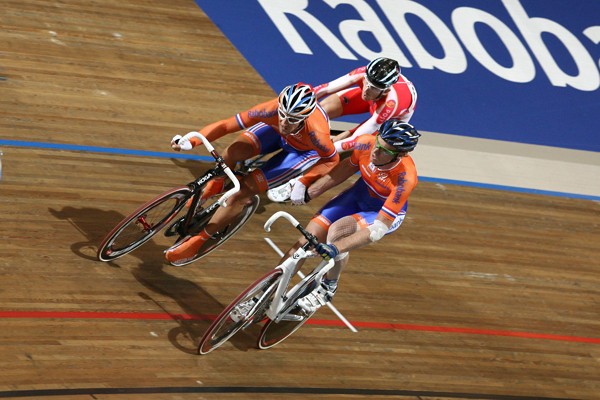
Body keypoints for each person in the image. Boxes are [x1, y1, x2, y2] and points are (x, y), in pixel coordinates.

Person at [165, 83, 339, 265]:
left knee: (242, 192)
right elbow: (226, 125)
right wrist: (192, 141)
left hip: (301, 153)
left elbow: (331, 160)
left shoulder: (317, 134)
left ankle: (198, 241)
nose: (284, 122)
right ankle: (214, 185)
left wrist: (304, 181)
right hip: (274, 133)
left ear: (304, 118)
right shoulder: (270, 110)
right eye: (283, 114)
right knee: (232, 153)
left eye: (292, 119)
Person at [284, 119, 421, 313]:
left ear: (401, 155)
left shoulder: (405, 178)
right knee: (305, 240)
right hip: (357, 196)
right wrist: (309, 191)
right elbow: (343, 167)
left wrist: (335, 248)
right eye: (378, 142)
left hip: (380, 214)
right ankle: (267, 289)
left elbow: (377, 230)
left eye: (385, 151)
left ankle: (329, 284)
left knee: (337, 233)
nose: (376, 151)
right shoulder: (366, 142)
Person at [314, 57, 418, 153]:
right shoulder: (365, 73)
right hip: (376, 96)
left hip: (390, 116)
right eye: (366, 82)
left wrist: (320, 153)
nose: (366, 90)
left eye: (373, 87)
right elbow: (325, 88)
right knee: (321, 109)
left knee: (353, 146)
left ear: (386, 91)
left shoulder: (390, 104)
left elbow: (354, 140)